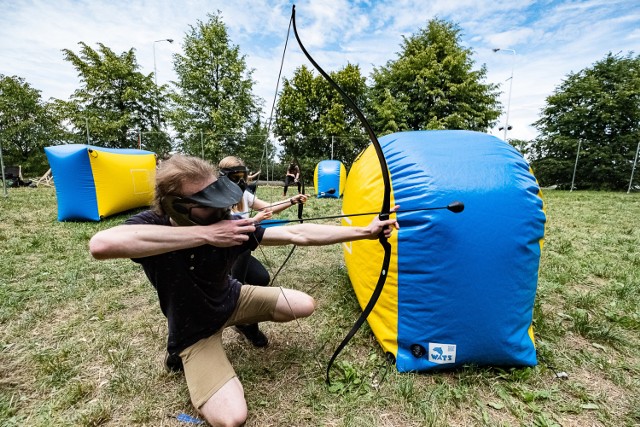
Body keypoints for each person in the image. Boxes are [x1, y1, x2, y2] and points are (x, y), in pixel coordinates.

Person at [88, 154, 398, 427]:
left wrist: (365, 231)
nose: (222, 210)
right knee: (232, 417)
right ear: (179, 206)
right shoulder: (153, 225)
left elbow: (297, 232)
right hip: (192, 327)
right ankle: (179, 354)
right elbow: (101, 245)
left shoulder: (228, 224)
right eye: (209, 205)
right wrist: (206, 236)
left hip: (232, 299)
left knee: (302, 305)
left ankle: (242, 322)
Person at [219, 155, 308, 347]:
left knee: (260, 278)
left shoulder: (244, 194)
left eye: (243, 175)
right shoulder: (217, 196)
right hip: (222, 253)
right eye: (236, 177)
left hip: (240, 250)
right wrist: (256, 220)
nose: (241, 181)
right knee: (237, 286)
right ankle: (246, 324)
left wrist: (292, 200)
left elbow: (269, 208)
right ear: (224, 177)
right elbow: (229, 228)